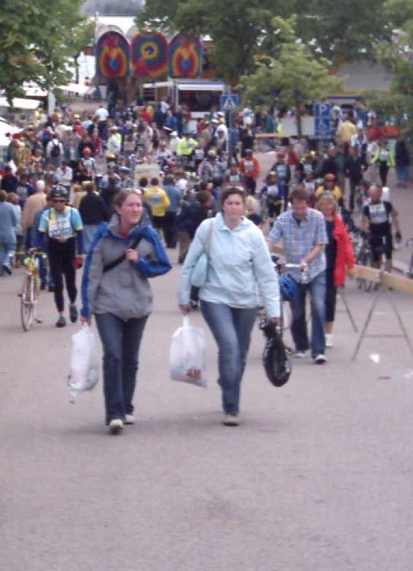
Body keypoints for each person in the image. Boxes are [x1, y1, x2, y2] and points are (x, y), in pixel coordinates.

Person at [177, 186, 282, 424]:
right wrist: (183, 296)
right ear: (222, 206)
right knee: (230, 345)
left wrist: (273, 309)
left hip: (246, 300)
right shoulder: (209, 228)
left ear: (244, 207)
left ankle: (228, 381)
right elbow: (190, 262)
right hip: (215, 298)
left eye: (238, 203)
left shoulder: (253, 233)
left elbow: (265, 273)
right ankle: (231, 406)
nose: (234, 207)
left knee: (240, 351)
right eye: (230, 203)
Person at [80, 188, 171, 433]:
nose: (135, 210)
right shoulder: (103, 235)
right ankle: (114, 413)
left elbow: (163, 265)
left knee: (130, 359)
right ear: (118, 209)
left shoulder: (147, 234)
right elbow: (92, 271)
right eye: (130, 205)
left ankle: (127, 407)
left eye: (139, 206)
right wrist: (86, 306)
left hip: (138, 304)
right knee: (113, 354)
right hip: (107, 305)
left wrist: (139, 263)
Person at [267, 186, 329, 362]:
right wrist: (265, 257)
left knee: (318, 306)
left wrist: (306, 260)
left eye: (303, 207)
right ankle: (301, 345)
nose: (300, 211)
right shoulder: (283, 220)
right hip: (294, 271)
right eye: (297, 208)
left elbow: (320, 243)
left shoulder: (317, 218)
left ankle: (318, 350)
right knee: (297, 309)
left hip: (315, 269)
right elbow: (271, 240)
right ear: (291, 205)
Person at [35, 184, 84, 327]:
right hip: (54, 248)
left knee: (70, 283)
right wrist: (37, 245)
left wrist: (80, 252)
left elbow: (80, 232)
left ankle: (73, 304)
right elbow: (40, 232)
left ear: (66, 201)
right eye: (55, 201)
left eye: (61, 201)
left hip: (69, 247)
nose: (58, 204)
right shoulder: (47, 214)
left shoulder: (73, 213)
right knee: (57, 284)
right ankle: (61, 314)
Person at [314, 193, 355, 338]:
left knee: (330, 300)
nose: (326, 207)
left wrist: (350, 263)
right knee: (317, 301)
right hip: (317, 266)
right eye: (324, 204)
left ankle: (328, 333)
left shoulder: (338, 221)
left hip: (333, 265)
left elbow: (345, 243)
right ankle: (317, 332)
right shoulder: (315, 219)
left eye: (329, 204)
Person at [360, 182, 400, 273]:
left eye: (374, 194)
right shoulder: (367, 207)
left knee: (388, 254)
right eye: (371, 194)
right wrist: (364, 230)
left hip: (385, 232)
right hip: (374, 233)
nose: (372, 196)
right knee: (376, 258)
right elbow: (363, 220)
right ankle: (376, 277)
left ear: (380, 194)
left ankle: (388, 278)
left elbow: (394, 216)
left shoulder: (386, 204)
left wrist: (398, 231)